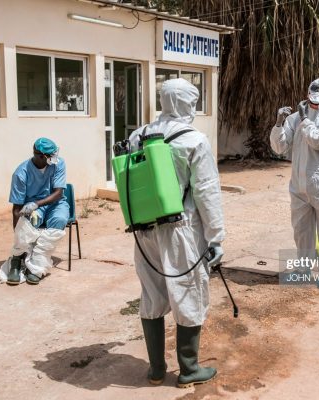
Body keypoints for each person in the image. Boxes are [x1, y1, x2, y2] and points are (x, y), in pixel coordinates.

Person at [128, 78, 225, 388]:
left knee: (152, 294)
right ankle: (188, 369)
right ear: (187, 104)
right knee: (188, 292)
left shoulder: (138, 135)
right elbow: (207, 192)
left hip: (144, 230)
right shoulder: (194, 140)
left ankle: (156, 369)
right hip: (181, 231)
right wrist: (216, 237)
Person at [270, 78, 319, 290]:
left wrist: (304, 119)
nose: (317, 94)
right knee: (302, 232)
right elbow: (279, 147)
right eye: (315, 89)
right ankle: (303, 269)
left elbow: (318, 141)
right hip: (299, 186)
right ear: (308, 91)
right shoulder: (295, 118)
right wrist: (278, 124)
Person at [7, 137, 69, 285]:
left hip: (55, 203)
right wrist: (19, 233)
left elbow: (58, 193)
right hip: (33, 208)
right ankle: (17, 260)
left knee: (59, 220)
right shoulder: (20, 173)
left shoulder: (58, 164)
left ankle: (37, 265)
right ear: (42, 156)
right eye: (52, 155)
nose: (55, 157)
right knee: (29, 223)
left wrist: (36, 203)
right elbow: (16, 208)